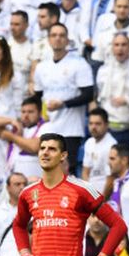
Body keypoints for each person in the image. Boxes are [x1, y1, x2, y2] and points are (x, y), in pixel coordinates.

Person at [34, 23, 94, 175]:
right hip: (49, 126)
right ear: (48, 39)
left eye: (62, 35)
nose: (58, 39)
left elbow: (88, 94)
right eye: (54, 35)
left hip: (71, 127)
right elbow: (37, 95)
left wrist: (64, 104)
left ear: (67, 40)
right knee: (48, 170)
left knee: (68, 170)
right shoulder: (42, 67)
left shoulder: (79, 64)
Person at [0, 96, 54, 180]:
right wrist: (10, 121)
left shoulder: (47, 127)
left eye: (30, 112)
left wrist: (12, 137)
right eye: (23, 112)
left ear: (39, 113)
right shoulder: (16, 127)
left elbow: (34, 147)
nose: (26, 115)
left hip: (35, 183)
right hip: (13, 183)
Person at [82, 108, 117, 195]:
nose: (93, 127)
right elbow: (85, 171)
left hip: (104, 196)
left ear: (106, 125)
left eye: (98, 124)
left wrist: (101, 202)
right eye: (91, 123)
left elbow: (111, 179)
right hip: (90, 193)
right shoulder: (89, 142)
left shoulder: (111, 146)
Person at [8, 11, 33, 115]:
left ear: (26, 25)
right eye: (11, 24)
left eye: (17, 24)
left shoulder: (33, 47)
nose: (13, 27)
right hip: (8, 97)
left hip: (25, 97)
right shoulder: (5, 46)